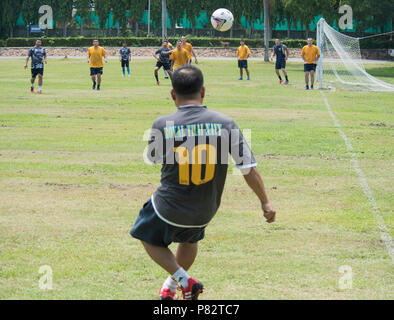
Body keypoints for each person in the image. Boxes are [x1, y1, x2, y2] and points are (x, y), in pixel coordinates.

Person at [130, 65, 276, 300]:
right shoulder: (226, 123)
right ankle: (171, 287)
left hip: (170, 206)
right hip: (205, 209)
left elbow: (154, 157)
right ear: (203, 91)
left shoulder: (162, 123)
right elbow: (248, 169)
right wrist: (265, 203)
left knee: (144, 234)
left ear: (172, 94)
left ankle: (185, 280)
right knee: (190, 237)